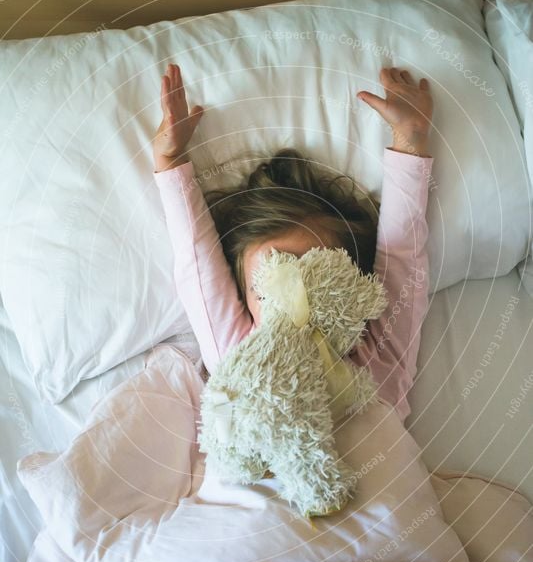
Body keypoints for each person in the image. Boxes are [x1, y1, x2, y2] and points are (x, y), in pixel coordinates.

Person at [152, 63, 433, 423]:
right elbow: (198, 265)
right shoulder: (237, 353)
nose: (293, 295)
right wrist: (169, 159)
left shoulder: (377, 355)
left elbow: (401, 257)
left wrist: (410, 137)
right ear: (243, 303)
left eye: (311, 271)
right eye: (264, 290)